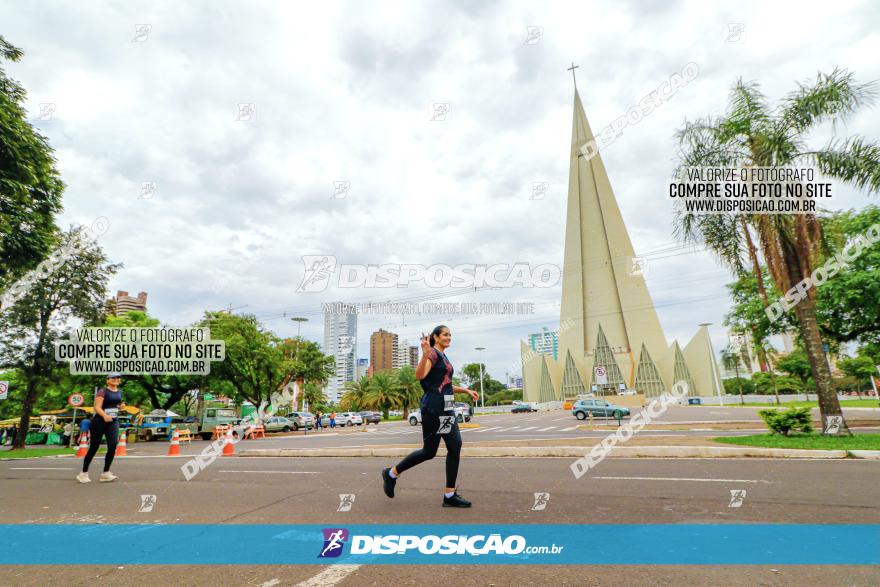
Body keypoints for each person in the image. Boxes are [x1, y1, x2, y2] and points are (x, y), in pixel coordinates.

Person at [382, 325, 480, 508]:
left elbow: (445, 383)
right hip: (434, 408)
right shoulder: (433, 354)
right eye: (445, 334)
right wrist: (425, 354)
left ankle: (449, 495)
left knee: (454, 445)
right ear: (435, 337)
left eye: (450, 334)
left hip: (447, 407)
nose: (449, 337)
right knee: (429, 451)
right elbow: (419, 375)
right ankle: (391, 473)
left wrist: (465, 390)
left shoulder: (442, 355)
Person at [78, 373, 126, 483]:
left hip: (113, 421)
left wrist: (121, 406)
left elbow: (116, 406)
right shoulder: (102, 391)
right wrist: (104, 415)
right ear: (107, 380)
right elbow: (97, 407)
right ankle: (83, 473)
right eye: (113, 378)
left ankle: (106, 473)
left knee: (113, 445)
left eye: (118, 377)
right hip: (99, 422)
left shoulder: (119, 392)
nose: (116, 379)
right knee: (94, 447)